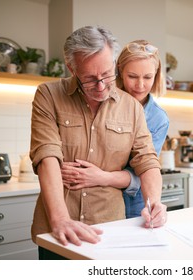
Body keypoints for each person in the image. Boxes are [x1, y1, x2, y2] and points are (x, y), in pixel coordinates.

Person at [29, 26, 167, 259]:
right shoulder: (48, 95)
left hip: (109, 230)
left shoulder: (132, 107)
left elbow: (147, 161)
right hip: (57, 230)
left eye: (106, 74)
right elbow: (47, 155)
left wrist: (154, 203)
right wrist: (60, 219)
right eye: (90, 79)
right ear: (72, 68)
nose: (101, 87)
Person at [61, 40, 169, 218]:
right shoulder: (99, 98)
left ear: (156, 75)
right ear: (118, 70)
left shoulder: (158, 118)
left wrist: (101, 176)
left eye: (148, 77)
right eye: (133, 76)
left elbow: (141, 172)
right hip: (93, 202)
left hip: (135, 204)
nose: (140, 85)